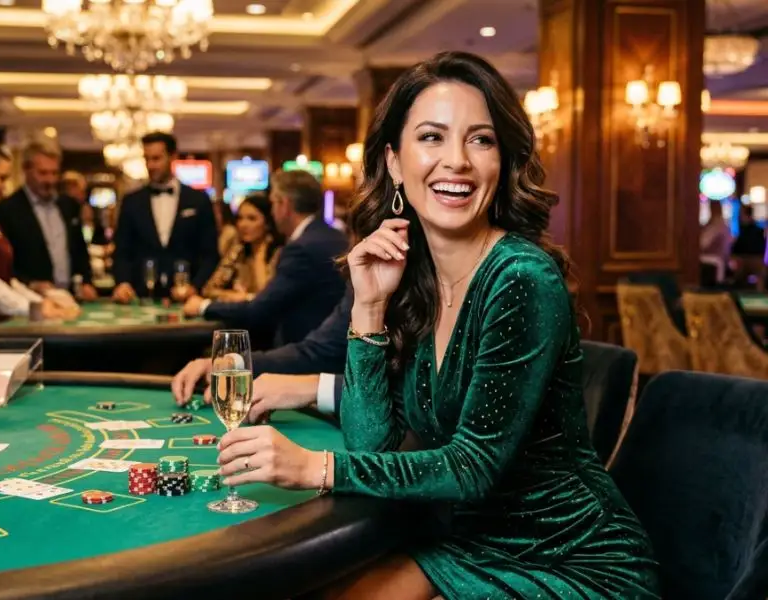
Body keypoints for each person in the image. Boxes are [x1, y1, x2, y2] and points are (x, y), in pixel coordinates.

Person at [214, 52, 660, 599]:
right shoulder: (413, 276)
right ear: (395, 163)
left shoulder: (522, 278)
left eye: (481, 139)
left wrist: (315, 467)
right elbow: (372, 445)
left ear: (504, 161)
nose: (458, 161)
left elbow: (472, 467)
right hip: (462, 538)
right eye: (431, 137)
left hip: (567, 559)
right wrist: (369, 311)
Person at [183, 170, 348, 346]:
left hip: (308, 352)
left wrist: (203, 306)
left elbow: (258, 311)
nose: (272, 211)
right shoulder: (336, 236)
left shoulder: (300, 248)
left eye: (272, 203)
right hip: (337, 348)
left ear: (284, 205)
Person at [172, 287, 352, 413]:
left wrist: (316, 387)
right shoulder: (362, 266)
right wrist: (234, 364)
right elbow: (317, 351)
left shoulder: (309, 246)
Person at [0, 133, 70, 327]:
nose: (4, 188)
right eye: (1, 178)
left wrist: (40, 302)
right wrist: (33, 308)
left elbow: (4, 279)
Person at [111, 132, 219, 303]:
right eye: (147, 159)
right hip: (141, 297)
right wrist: (123, 282)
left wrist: (195, 287)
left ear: (173, 157)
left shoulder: (198, 200)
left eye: (156, 158)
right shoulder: (132, 201)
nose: (151, 165)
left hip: (187, 298)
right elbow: (122, 251)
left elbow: (209, 254)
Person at [0, 139, 96, 301]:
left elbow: (80, 250)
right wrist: (30, 284)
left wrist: (87, 282)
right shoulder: (6, 210)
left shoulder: (68, 205)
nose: (50, 180)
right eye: (43, 173)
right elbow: (2, 265)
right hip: (29, 302)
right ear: (26, 170)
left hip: (70, 299)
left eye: (54, 173)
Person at [199, 193, 283, 302]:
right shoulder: (238, 251)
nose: (243, 224)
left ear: (267, 223)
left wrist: (246, 297)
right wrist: (233, 296)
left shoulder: (280, 254)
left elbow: (268, 298)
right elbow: (208, 290)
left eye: (252, 219)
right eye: (240, 218)